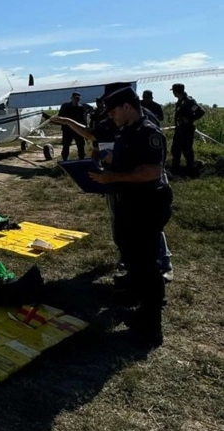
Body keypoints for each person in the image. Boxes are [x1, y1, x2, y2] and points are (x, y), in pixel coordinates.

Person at [89, 83, 173, 344]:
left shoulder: (148, 132)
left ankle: (151, 324)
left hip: (147, 204)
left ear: (127, 107)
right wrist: (107, 164)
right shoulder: (127, 130)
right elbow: (126, 160)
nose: (110, 116)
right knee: (132, 255)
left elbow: (152, 171)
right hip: (129, 202)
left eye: (112, 111)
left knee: (147, 263)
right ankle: (138, 301)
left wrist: (115, 176)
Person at [170, 83, 205, 177]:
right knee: (175, 148)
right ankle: (175, 167)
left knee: (187, 149)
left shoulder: (189, 101)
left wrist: (189, 119)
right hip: (179, 128)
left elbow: (201, 112)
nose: (173, 93)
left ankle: (190, 168)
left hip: (187, 129)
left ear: (176, 91)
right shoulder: (180, 101)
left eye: (173, 91)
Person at [58, 92, 87, 160]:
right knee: (66, 145)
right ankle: (64, 159)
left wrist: (85, 130)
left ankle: (81, 159)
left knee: (80, 145)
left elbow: (83, 120)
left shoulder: (81, 108)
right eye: (75, 98)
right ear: (71, 98)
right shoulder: (65, 106)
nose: (76, 100)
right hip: (67, 130)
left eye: (77, 99)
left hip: (78, 130)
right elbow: (60, 117)